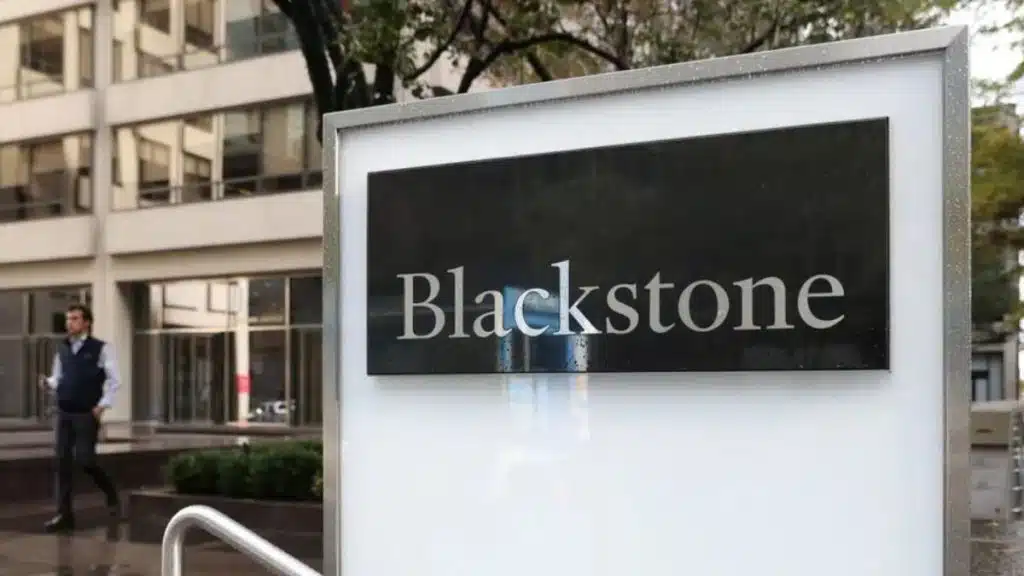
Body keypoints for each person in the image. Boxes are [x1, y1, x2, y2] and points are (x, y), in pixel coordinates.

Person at [38, 303, 121, 533]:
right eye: (68, 319)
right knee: (62, 462)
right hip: (64, 412)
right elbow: (58, 378)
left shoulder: (101, 348)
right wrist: (48, 383)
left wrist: (102, 406)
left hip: (86, 413)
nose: (69, 323)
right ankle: (64, 515)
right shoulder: (62, 349)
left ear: (86, 323)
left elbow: (115, 381)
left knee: (86, 461)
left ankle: (110, 493)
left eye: (74, 319)